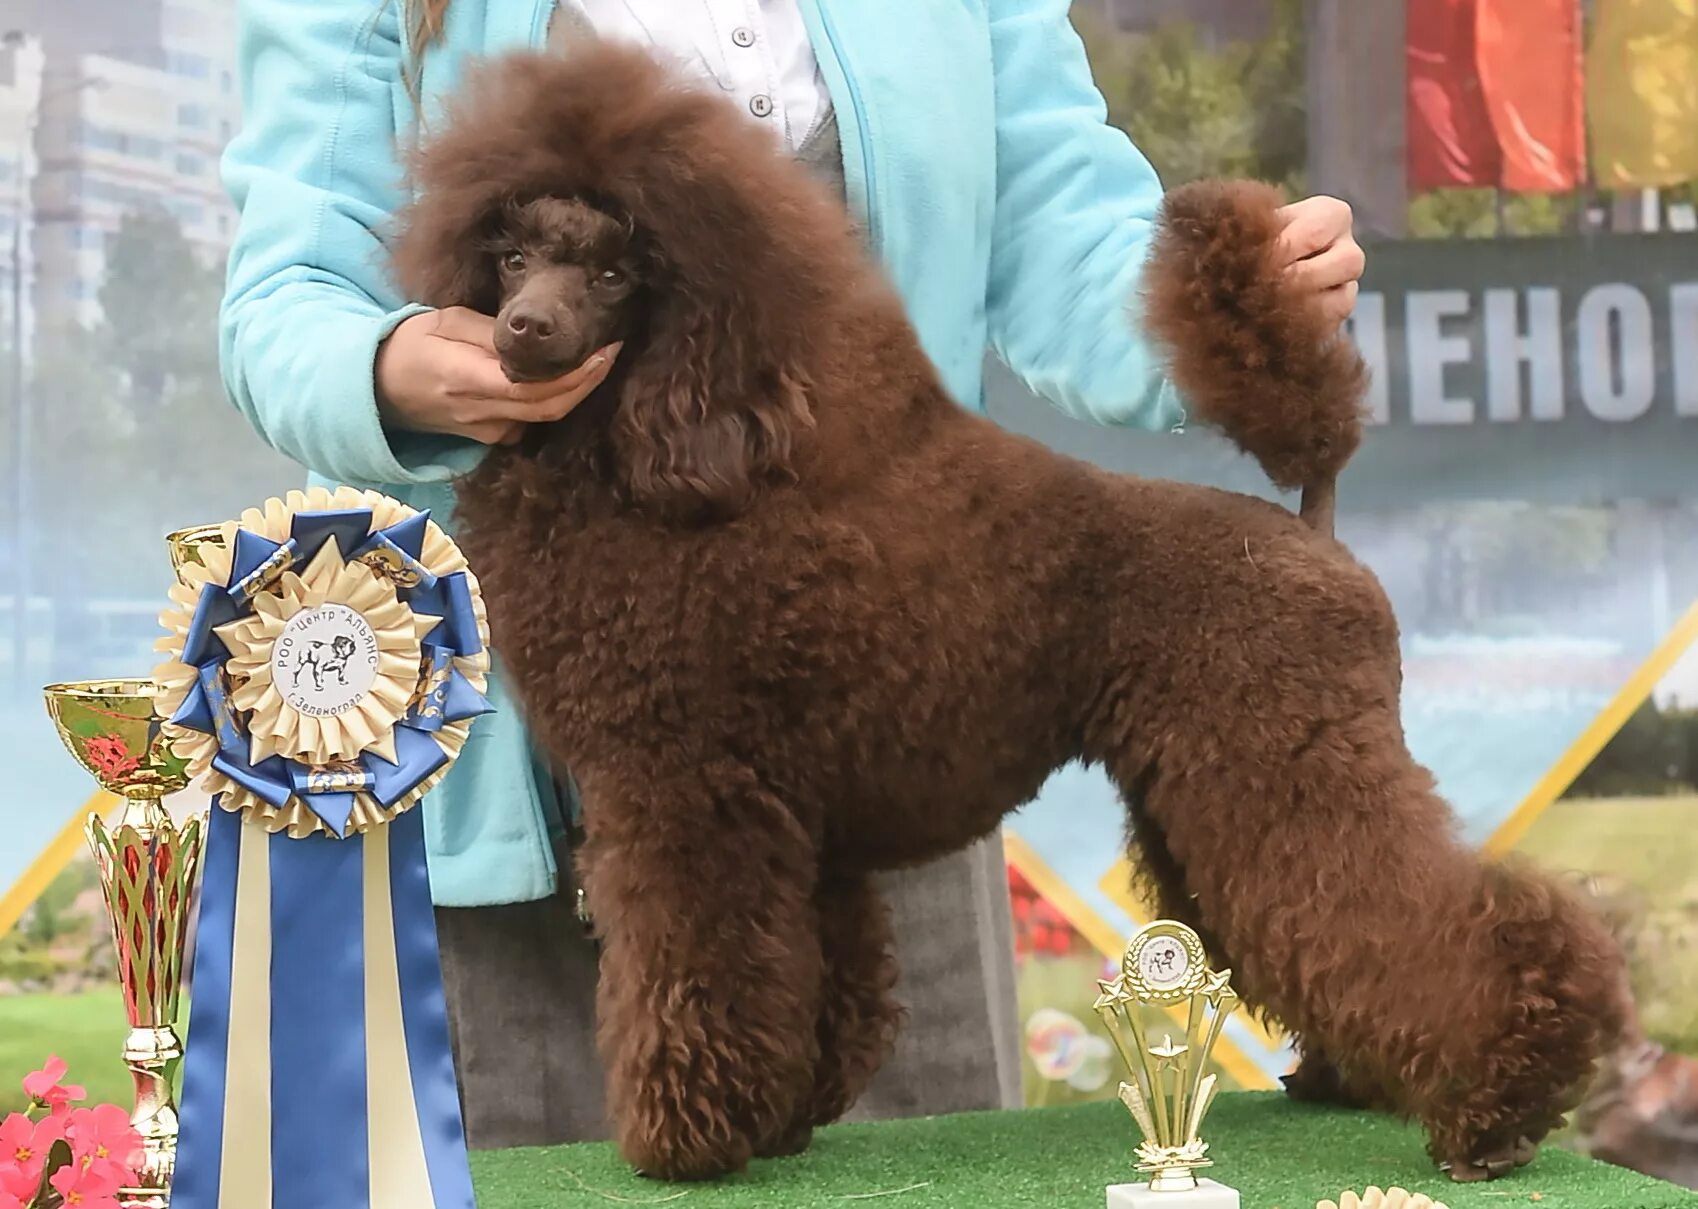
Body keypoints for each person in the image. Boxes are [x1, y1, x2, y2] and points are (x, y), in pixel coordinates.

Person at [220, 0, 1366, 1148]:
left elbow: (1068, 241)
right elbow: (289, 293)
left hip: (900, 700)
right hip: (529, 772)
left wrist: (1247, 301)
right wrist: (388, 369)